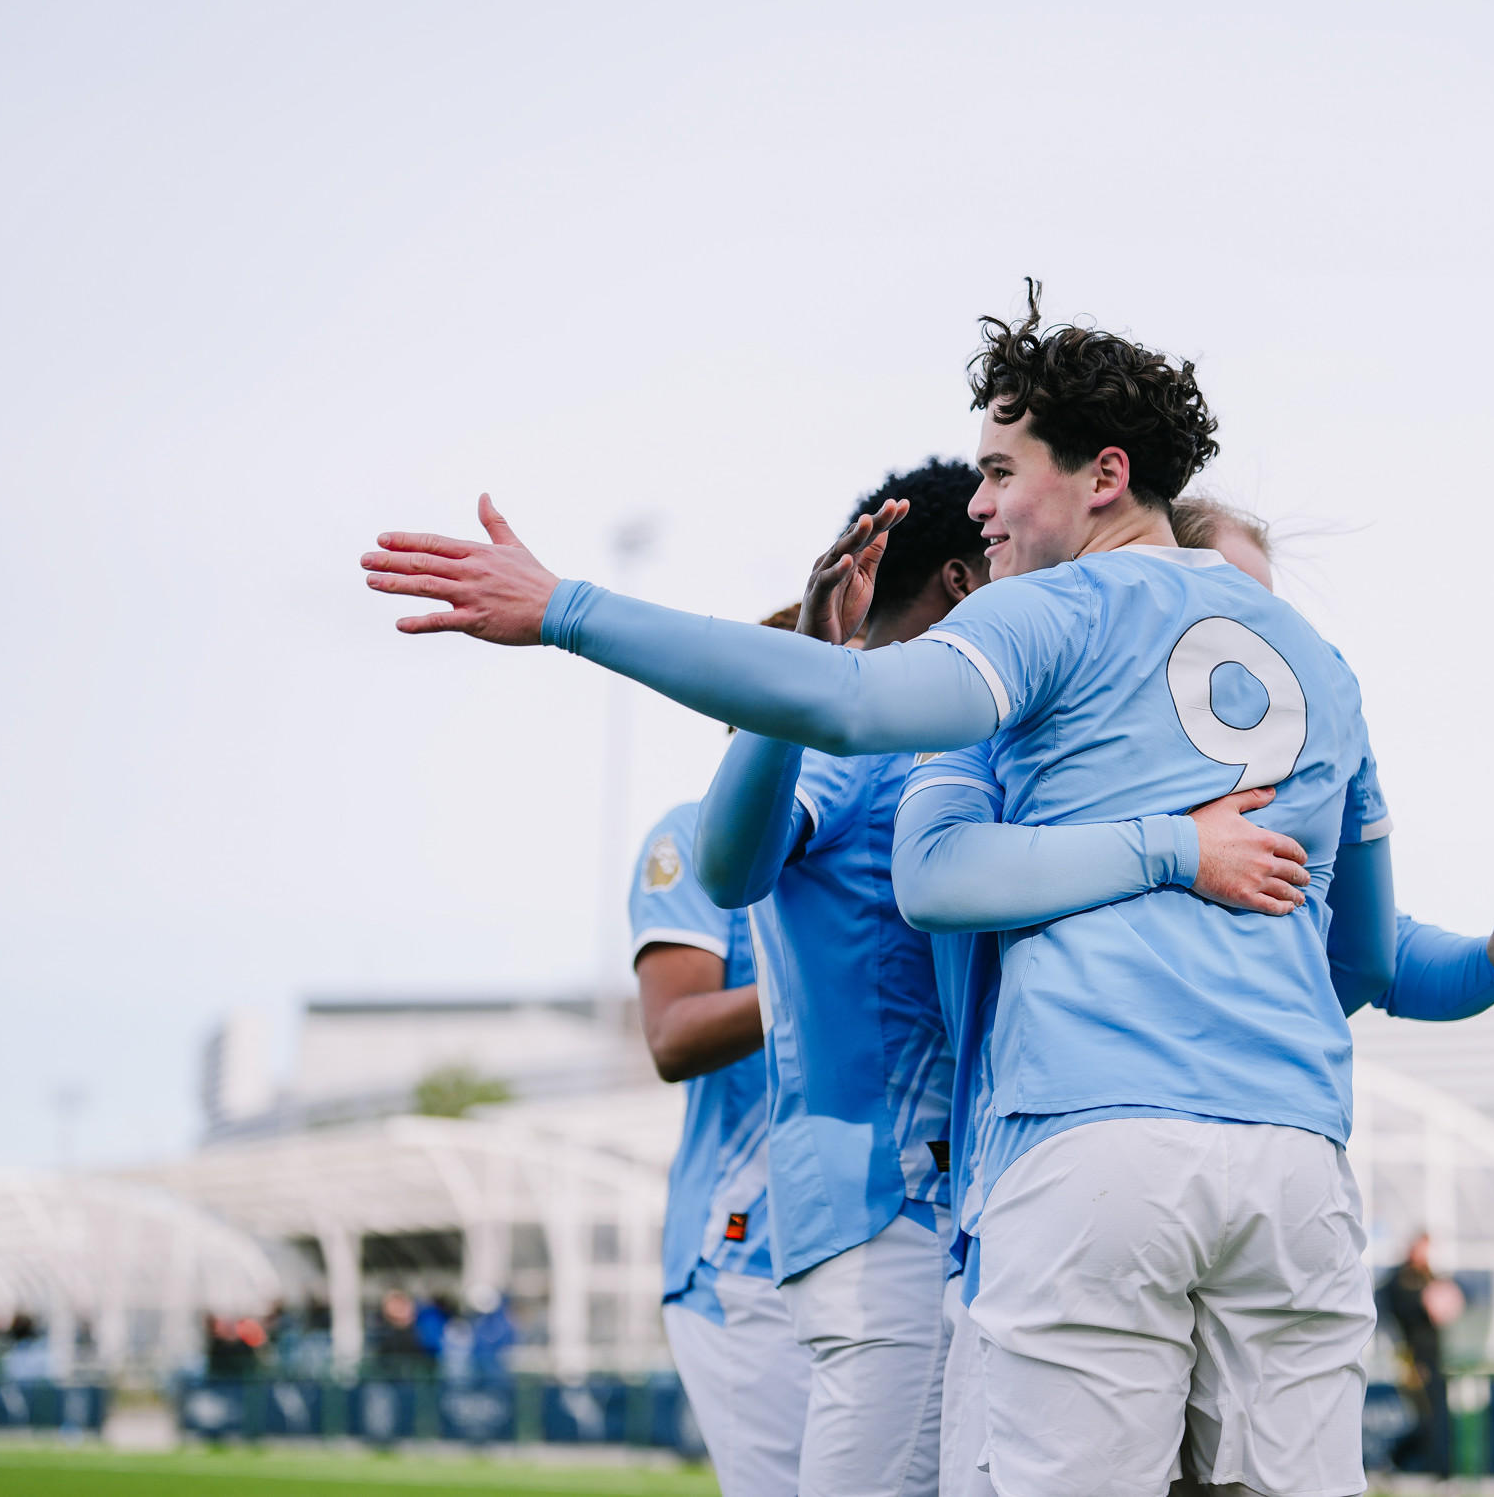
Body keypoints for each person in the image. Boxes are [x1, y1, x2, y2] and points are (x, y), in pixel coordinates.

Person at [358, 285, 1383, 1495]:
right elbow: (1364, 958)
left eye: (1000, 472)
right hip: (1283, 1157)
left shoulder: (1042, 622)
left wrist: (569, 610)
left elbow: (896, 797)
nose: (984, 504)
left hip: (1072, 1151)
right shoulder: (1321, 666)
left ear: (1104, 476)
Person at [896, 492, 1494, 1496]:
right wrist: (1170, 849)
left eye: (1260, 610)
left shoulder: (1279, 733)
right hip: (1104, 1157)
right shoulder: (1033, 715)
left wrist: (1488, 965)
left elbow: (1365, 949)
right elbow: (935, 880)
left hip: (1165, 1162)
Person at [689, 458, 990, 1497]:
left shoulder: (937, 733)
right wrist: (806, 675)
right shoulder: (858, 725)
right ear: (962, 578)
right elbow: (730, 868)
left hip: (921, 1203)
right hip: (886, 1205)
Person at [629, 783, 810, 1497]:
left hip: (895, 1226)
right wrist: (827, 979)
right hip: (742, 1251)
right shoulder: (691, 833)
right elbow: (671, 1034)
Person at [1377, 1234, 1464, 1477]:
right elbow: (1393, 1308)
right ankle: (1397, 1458)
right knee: (1427, 1418)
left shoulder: (1432, 1277)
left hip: (1436, 1358)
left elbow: (1455, 1301)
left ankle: (1434, 1469)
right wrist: (1422, 1303)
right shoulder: (1401, 1279)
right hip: (1413, 1359)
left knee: (1437, 1417)